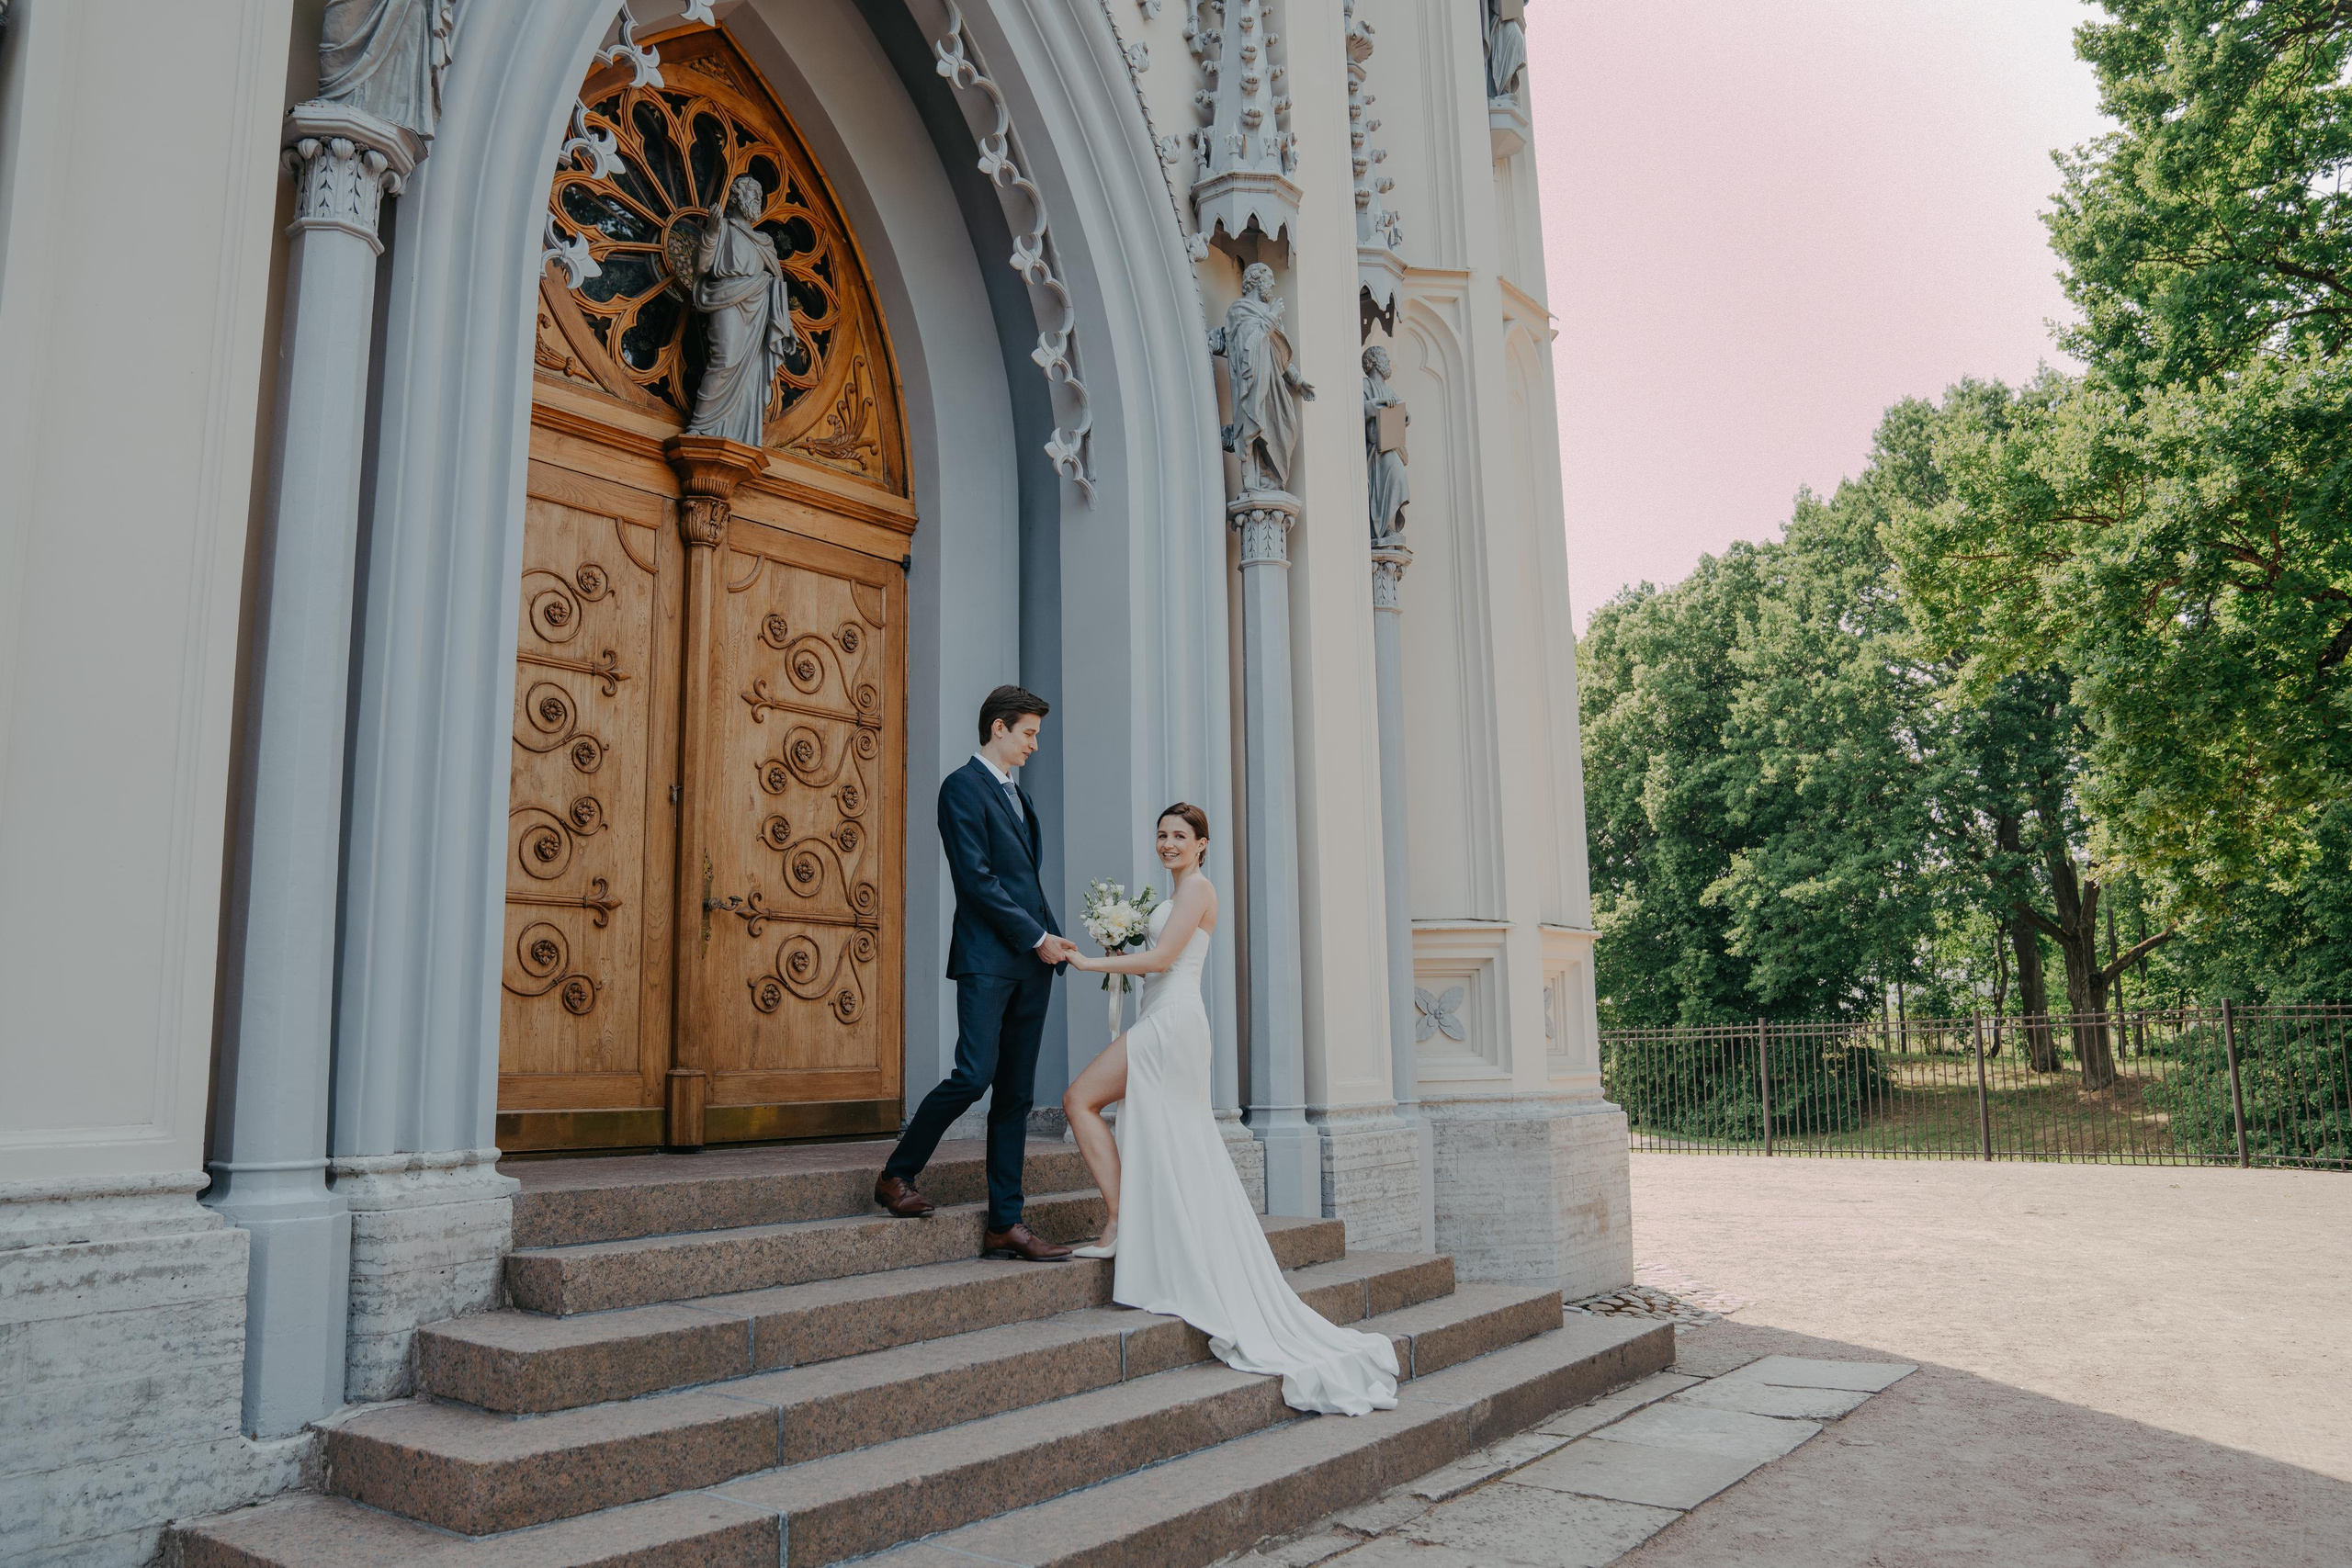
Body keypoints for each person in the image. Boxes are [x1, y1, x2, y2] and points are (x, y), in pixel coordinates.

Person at [1061, 806, 1401, 1416]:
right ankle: (1129, 1222)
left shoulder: (1200, 889)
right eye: (1161, 835)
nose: (1168, 843)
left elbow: (1164, 961)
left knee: (1081, 1098)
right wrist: (1120, 941)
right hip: (1166, 1021)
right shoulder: (1177, 893)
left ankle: (1120, 1221)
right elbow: (1158, 954)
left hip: (1172, 1024)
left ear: (1202, 845)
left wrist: (1092, 961)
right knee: (1165, 1134)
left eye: (1180, 836)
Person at [875, 686, 1080, 1263]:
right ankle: (896, 1174)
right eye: (1029, 733)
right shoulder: (960, 788)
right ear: (998, 728)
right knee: (973, 1075)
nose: (1035, 744)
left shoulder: (1021, 797)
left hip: (1031, 962)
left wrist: (1051, 935)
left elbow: (1025, 884)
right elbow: (976, 878)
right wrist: (1036, 935)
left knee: (1015, 1093)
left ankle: (1005, 1225)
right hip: (988, 958)